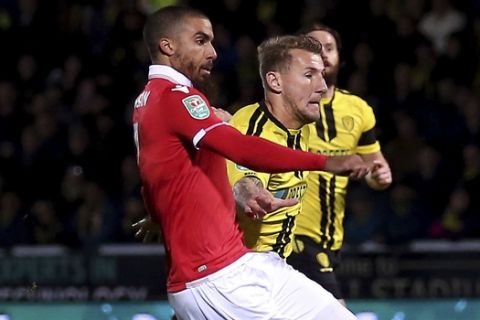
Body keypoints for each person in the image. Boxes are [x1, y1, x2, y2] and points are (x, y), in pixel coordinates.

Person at [133, 6, 367, 319]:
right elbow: (241, 150)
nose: (213, 52)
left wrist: (157, 211)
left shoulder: (151, 101)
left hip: (250, 264)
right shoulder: (175, 98)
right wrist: (324, 162)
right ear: (168, 46)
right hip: (215, 277)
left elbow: (154, 171)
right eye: (201, 41)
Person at [227, 34, 361, 260]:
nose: (322, 86)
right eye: (309, 76)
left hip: (279, 263)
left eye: (321, 75)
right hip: (244, 267)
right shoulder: (254, 130)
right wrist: (253, 195)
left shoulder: (301, 125)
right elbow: (244, 181)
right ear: (275, 82)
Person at [288, 23, 392, 305]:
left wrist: (379, 176)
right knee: (336, 311)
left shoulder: (358, 109)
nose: (322, 54)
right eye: (313, 49)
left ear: (339, 58)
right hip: (293, 234)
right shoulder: (284, 104)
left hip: (331, 238)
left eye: (329, 48)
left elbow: (376, 167)